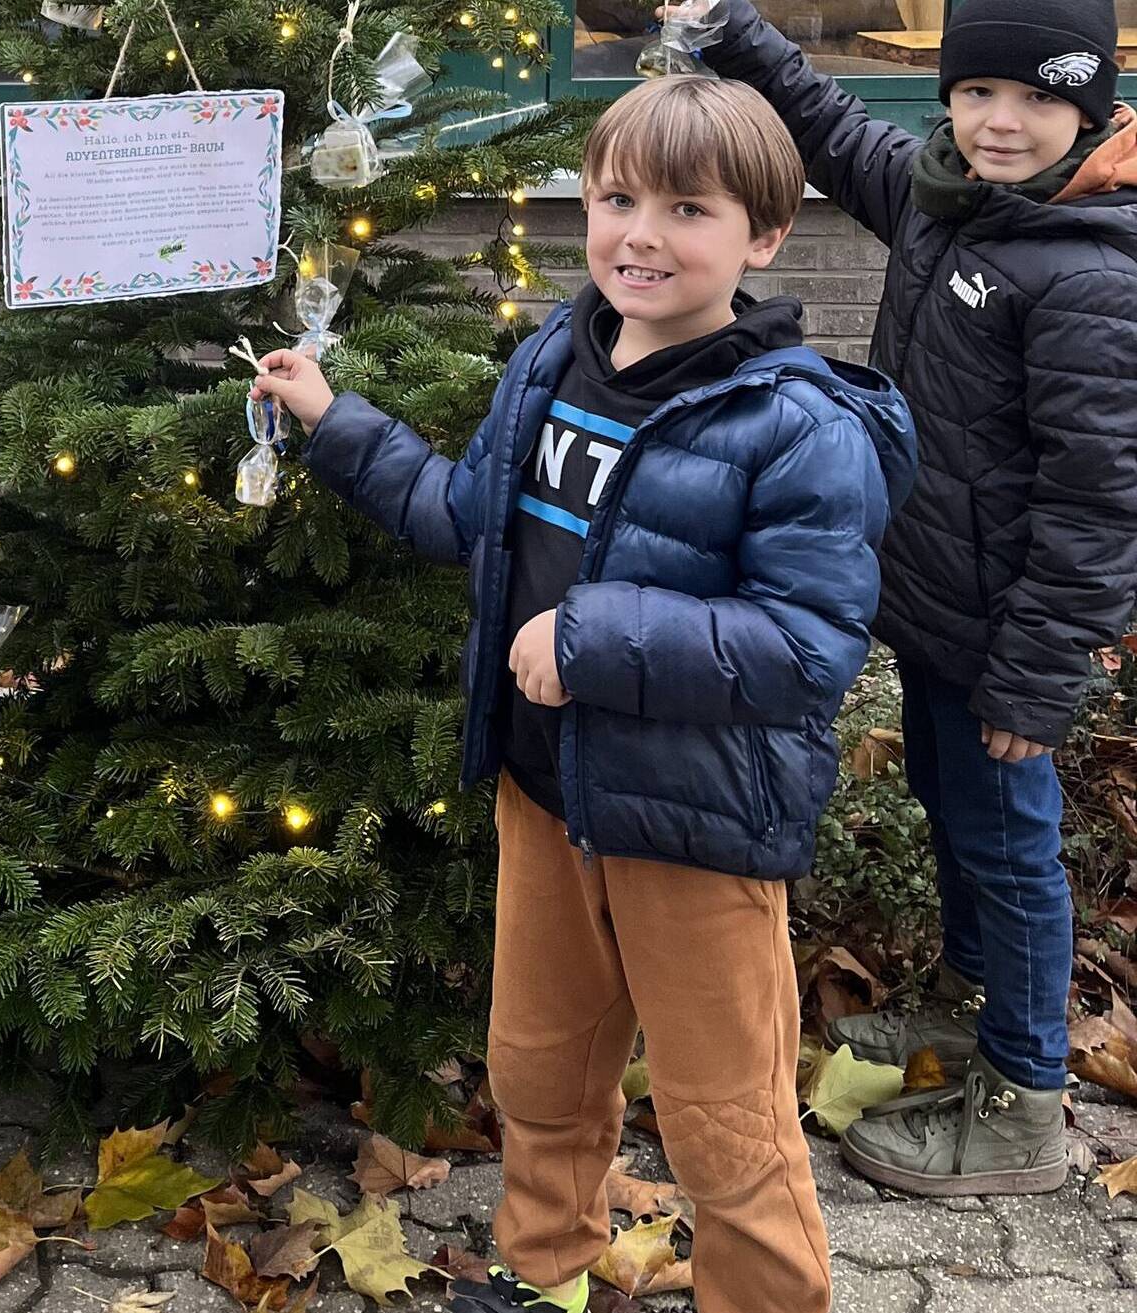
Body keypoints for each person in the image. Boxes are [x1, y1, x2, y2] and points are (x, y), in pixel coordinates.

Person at [253, 76, 914, 1313]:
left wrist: (595, 638)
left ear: (762, 237)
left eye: (687, 208)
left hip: (694, 829)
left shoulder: (796, 428)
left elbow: (806, 645)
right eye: (616, 199)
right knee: (539, 1067)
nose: (641, 234)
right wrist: (337, 423)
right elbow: (468, 519)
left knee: (726, 1116)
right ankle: (541, 1269)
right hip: (544, 793)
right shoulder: (554, 358)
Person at [682, 0, 1137, 1196]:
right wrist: (731, 31)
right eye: (978, 92)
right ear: (944, 97)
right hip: (942, 606)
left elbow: (1099, 504)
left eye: (1038, 101)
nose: (1000, 121)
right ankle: (967, 998)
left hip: (1006, 635)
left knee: (1008, 847)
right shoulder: (952, 200)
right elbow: (830, 129)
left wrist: (1037, 677)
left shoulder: (1087, 268)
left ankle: (1019, 1105)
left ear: (1085, 113)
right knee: (952, 806)